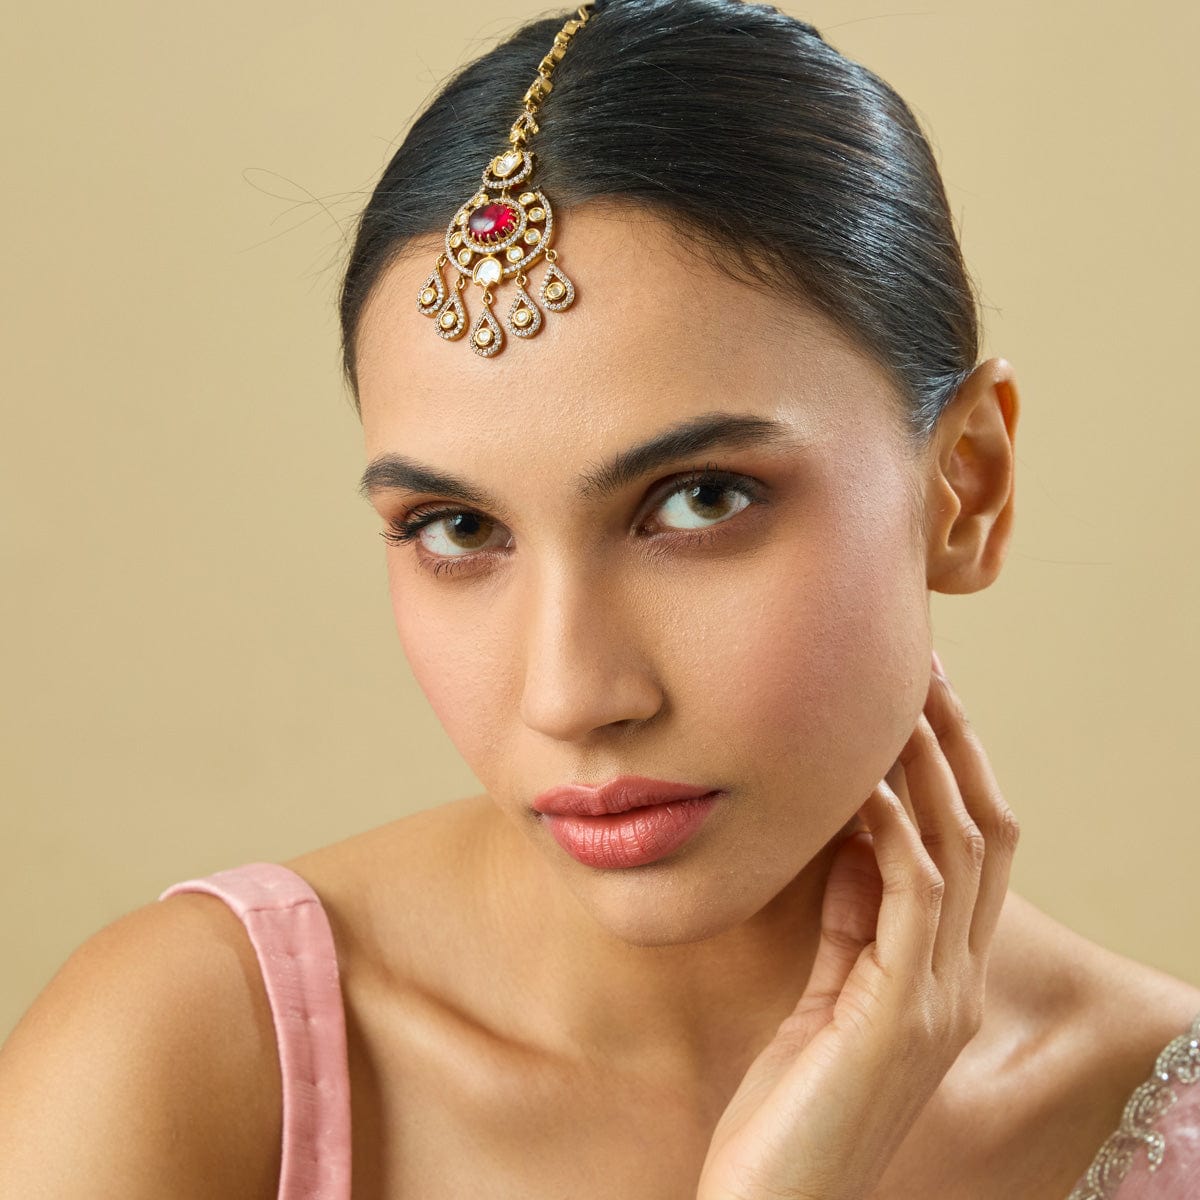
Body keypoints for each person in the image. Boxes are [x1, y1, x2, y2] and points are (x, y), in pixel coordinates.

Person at [2, 1, 1198, 1197]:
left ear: (965, 487)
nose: (571, 696)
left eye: (700, 501)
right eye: (458, 528)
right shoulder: (179, 1062)